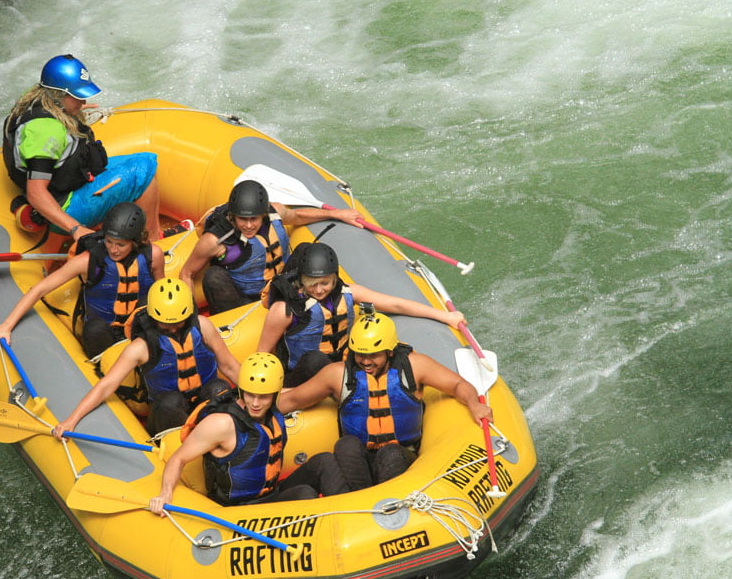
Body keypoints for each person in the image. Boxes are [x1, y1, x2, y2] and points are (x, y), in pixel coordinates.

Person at [277, 311, 493, 490]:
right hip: (359, 462)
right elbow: (293, 400)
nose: (365, 361)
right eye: (360, 354)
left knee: (390, 454)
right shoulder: (336, 374)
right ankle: (364, 504)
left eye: (373, 355)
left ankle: (390, 506)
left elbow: (457, 385)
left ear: (390, 351)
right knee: (346, 445)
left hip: (402, 454)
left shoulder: (416, 366)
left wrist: (474, 404)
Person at [2, 54, 163, 251]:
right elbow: (36, 192)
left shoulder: (39, 99)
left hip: (66, 184)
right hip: (64, 206)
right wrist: (75, 228)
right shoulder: (45, 131)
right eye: (78, 96)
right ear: (58, 95)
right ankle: (151, 245)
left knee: (144, 159)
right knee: (144, 168)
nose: (83, 99)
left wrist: (74, 108)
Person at [149, 353, 347, 513]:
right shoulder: (221, 424)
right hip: (239, 510)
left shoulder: (275, 408)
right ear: (242, 390)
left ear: (275, 394)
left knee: (324, 462)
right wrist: (164, 494)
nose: (255, 403)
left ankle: (349, 515)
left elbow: (304, 394)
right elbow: (178, 459)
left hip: (270, 494)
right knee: (305, 494)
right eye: (250, 394)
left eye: (263, 397)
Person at [256, 241, 467, 386]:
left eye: (325, 283)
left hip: (343, 363)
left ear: (335, 278)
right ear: (302, 279)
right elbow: (263, 354)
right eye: (312, 284)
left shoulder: (350, 293)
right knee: (315, 360)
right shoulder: (284, 310)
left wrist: (445, 316)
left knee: (392, 352)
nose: (319, 290)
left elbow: (395, 305)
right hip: (302, 374)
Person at [52, 278, 240, 436]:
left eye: (178, 323)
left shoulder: (203, 326)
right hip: (166, 412)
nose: (174, 330)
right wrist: (71, 421)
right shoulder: (141, 347)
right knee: (170, 402)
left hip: (203, 402)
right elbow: (106, 385)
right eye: (166, 325)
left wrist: (259, 396)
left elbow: (229, 366)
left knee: (220, 389)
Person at [0, 202, 165, 358]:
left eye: (121, 245)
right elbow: (40, 289)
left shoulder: (154, 256)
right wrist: (6, 325)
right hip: (104, 331)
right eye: (109, 241)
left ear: (136, 242)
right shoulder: (88, 261)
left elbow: (161, 292)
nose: (113, 249)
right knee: (94, 330)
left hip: (140, 326)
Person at [178, 179, 364, 314]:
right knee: (213, 277)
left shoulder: (274, 211)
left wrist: (337, 214)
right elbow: (186, 273)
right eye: (243, 219)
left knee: (305, 250)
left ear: (263, 214)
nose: (249, 225)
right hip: (243, 297)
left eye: (254, 219)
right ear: (233, 216)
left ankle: (333, 305)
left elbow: (297, 216)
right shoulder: (214, 240)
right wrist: (190, 317)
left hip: (281, 284)